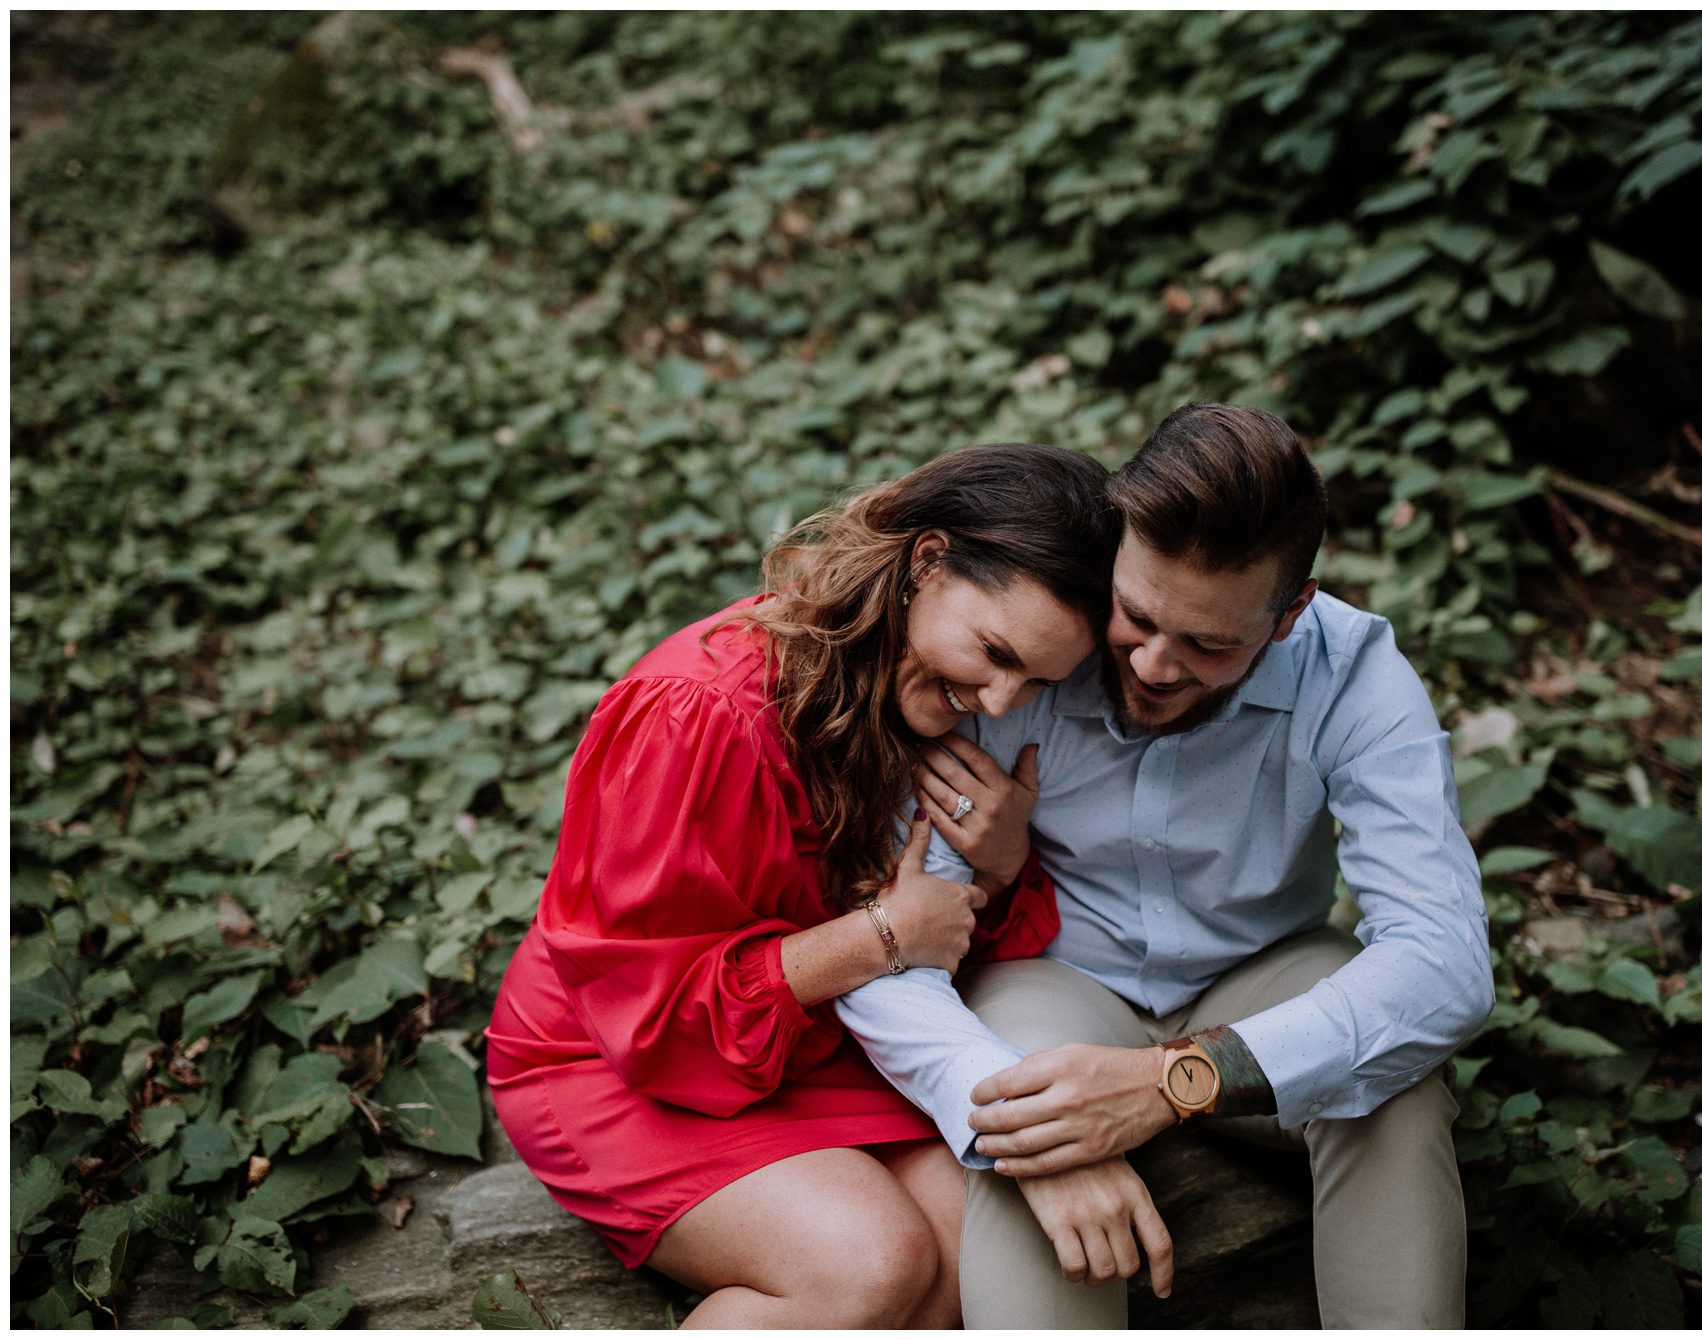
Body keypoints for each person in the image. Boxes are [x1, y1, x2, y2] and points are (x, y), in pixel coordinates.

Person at [838, 403, 1495, 1328]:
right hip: (1055, 974)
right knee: (1027, 1109)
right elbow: (889, 954)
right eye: (1136, 615)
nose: (1152, 662)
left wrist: (1170, 1082)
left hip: (1263, 971)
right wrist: (1013, 1123)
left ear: (1289, 614)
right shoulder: (1025, 641)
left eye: (1210, 644)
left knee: (1391, 1090)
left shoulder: (1351, 673)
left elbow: (1444, 964)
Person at [485, 442, 1119, 1329]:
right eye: (995, 652)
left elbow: (952, 945)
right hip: (614, 1058)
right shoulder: (701, 713)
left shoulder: (921, 692)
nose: (1004, 700)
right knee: (871, 1263)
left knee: (971, 1243)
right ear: (926, 561)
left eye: (1036, 680)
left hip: (811, 1044)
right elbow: (650, 1012)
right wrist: (878, 938)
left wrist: (1001, 858)